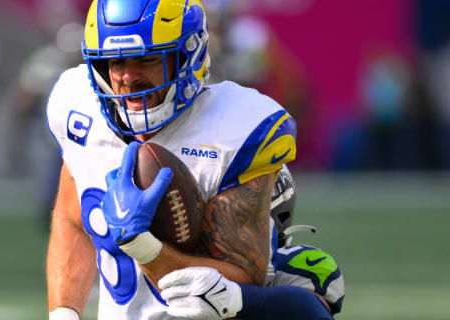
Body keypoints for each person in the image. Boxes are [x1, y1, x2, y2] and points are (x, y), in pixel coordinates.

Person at [45, 0, 342, 319]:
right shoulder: (79, 107)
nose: (128, 77)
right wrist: (64, 312)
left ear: (189, 55)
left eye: (145, 59)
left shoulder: (233, 131)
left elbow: (241, 280)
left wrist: (142, 246)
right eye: (115, 62)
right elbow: (73, 219)